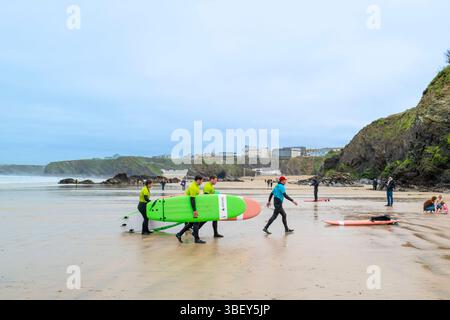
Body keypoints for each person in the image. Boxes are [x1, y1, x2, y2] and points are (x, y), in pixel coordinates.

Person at [176, 176, 206, 244]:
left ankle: (179, 234)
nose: (202, 182)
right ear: (198, 180)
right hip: (191, 207)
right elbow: (192, 199)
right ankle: (197, 239)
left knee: (191, 223)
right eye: (202, 181)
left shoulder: (195, 186)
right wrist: (194, 210)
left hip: (192, 207)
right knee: (196, 222)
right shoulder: (193, 186)